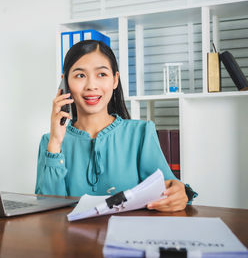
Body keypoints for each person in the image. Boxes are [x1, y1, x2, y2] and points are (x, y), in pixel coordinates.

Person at [35, 40, 197, 212]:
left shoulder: (141, 133)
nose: (91, 86)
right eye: (80, 75)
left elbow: (169, 192)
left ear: (115, 80)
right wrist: (55, 143)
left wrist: (179, 193)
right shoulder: (50, 142)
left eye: (102, 74)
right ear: (65, 83)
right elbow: (47, 211)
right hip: (72, 238)